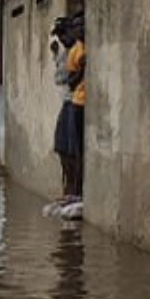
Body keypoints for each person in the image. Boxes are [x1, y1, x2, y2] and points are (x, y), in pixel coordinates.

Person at [51, 18, 77, 202]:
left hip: (74, 102)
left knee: (71, 149)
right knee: (61, 147)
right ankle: (68, 188)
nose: (61, 38)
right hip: (67, 102)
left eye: (63, 34)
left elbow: (66, 77)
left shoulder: (78, 50)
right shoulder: (63, 54)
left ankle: (73, 190)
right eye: (59, 35)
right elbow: (59, 78)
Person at [64, 13, 87, 200]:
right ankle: (77, 191)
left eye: (82, 25)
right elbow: (70, 83)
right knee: (79, 150)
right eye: (76, 26)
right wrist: (82, 69)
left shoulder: (90, 47)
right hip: (79, 103)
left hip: (90, 104)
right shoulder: (75, 51)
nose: (79, 30)